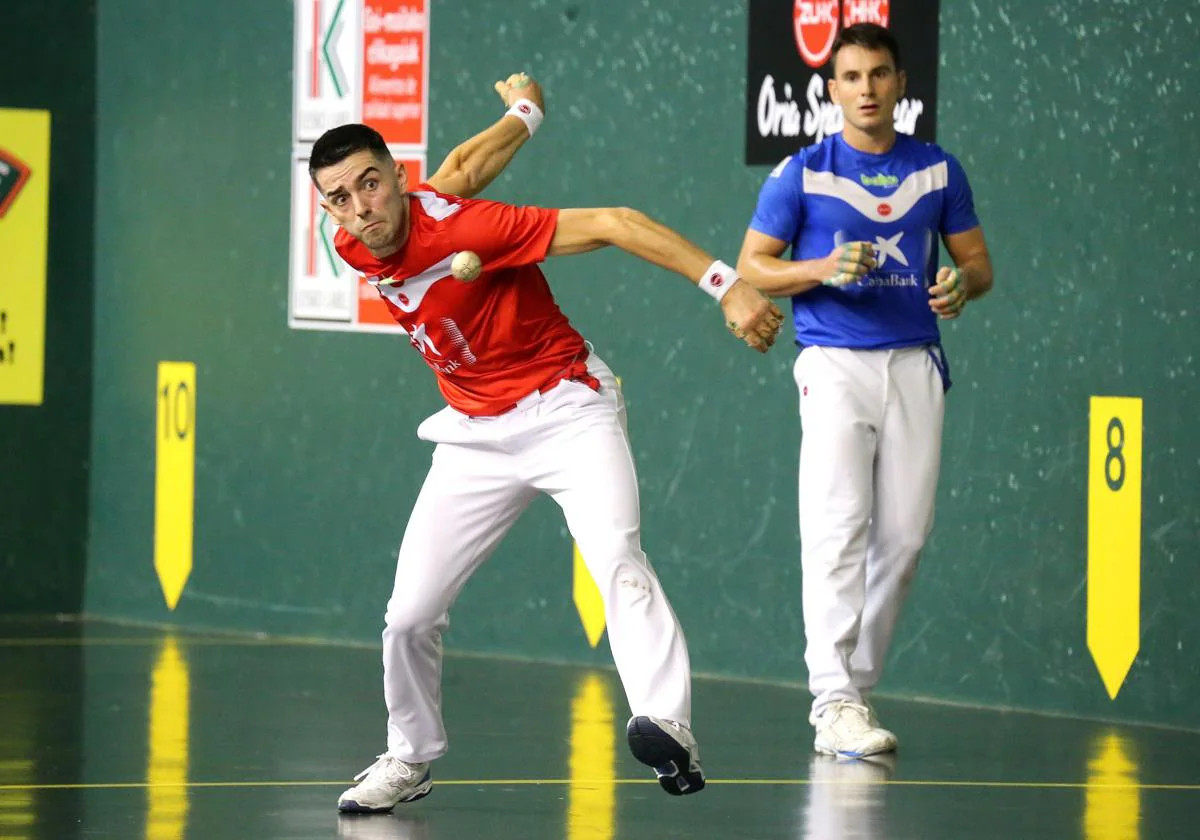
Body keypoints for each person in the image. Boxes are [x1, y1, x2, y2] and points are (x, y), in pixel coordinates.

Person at [310, 73, 784, 812]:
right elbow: (460, 170)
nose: (359, 208)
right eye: (338, 198)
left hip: (566, 407)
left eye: (369, 185)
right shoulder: (357, 239)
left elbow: (617, 222)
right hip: (473, 434)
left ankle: (666, 722)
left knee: (618, 556)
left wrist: (727, 285)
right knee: (408, 615)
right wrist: (524, 114)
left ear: (394, 178)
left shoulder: (473, 230)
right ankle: (410, 757)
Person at [736, 24, 994, 757]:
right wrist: (820, 270)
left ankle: (856, 685)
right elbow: (752, 266)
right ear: (832, 90)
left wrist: (959, 284)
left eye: (880, 75)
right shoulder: (803, 172)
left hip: (915, 362)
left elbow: (978, 265)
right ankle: (833, 699)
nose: (868, 89)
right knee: (837, 526)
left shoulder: (939, 171)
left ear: (900, 83)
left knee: (905, 538)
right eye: (851, 77)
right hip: (835, 363)